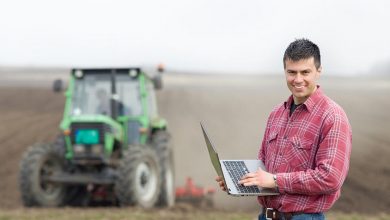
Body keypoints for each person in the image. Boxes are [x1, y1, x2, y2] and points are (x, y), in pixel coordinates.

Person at [216, 39, 352, 220]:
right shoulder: (276, 114)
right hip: (266, 216)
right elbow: (264, 167)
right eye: (292, 72)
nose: (298, 80)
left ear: (319, 71)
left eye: (305, 72)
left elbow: (330, 178)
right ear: (284, 72)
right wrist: (238, 182)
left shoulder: (332, 116)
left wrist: (274, 181)